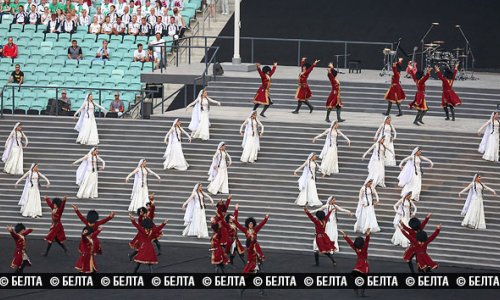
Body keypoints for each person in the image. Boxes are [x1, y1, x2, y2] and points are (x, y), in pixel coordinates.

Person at [339, 228, 371, 297]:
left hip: (358, 264)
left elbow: (350, 242)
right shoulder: (364, 249)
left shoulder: (355, 248)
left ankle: (356, 287)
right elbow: (367, 241)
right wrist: (367, 234)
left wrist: (344, 235)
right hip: (364, 264)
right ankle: (362, 292)